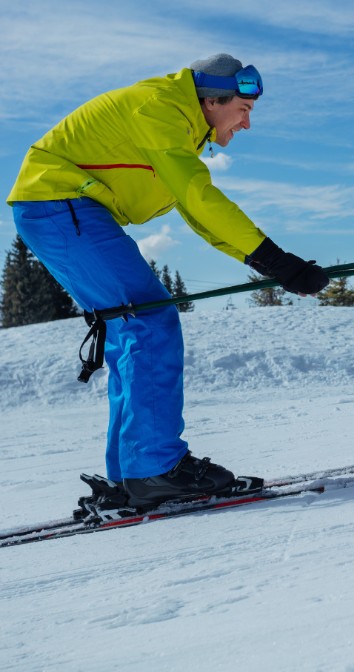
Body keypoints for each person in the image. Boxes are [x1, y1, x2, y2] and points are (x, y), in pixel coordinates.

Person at [7, 54, 329, 506]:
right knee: (149, 321)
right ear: (212, 99)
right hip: (60, 205)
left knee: (134, 325)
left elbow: (197, 216)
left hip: (57, 208)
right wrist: (277, 259)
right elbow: (199, 196)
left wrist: (269, 266)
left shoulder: (177, 122)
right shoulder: (160, 111)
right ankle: (154, 469)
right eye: (244, 109)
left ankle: (132, 473)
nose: (246, 124)